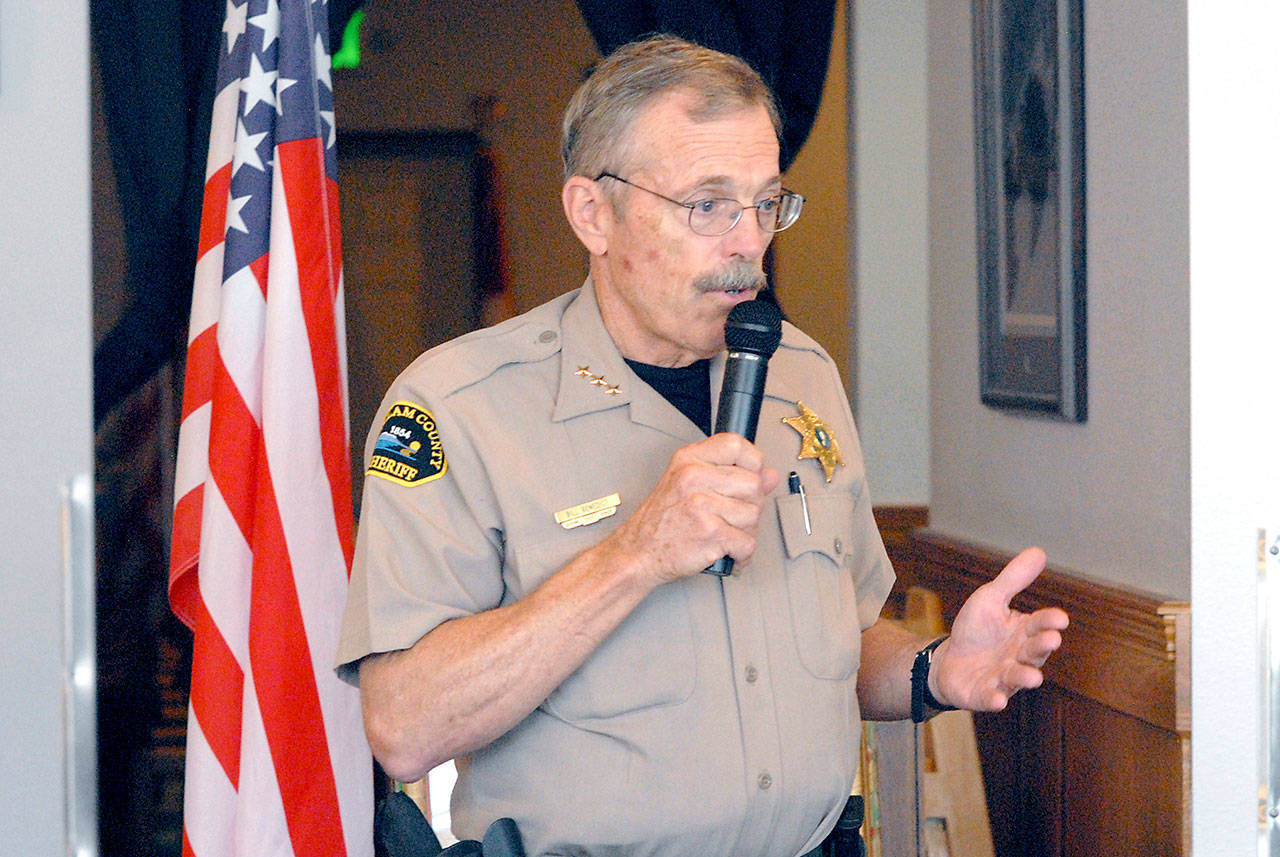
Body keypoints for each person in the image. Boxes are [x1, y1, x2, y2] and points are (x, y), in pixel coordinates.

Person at [338, 34, 1068, 857]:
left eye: (765, 202)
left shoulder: (802, 374)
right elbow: (403, 725)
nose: (747, 241)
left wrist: (935, 668)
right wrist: (636, 554)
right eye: (707, 205)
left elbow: (831, 644)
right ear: (593, 213)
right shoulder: (459, 405)